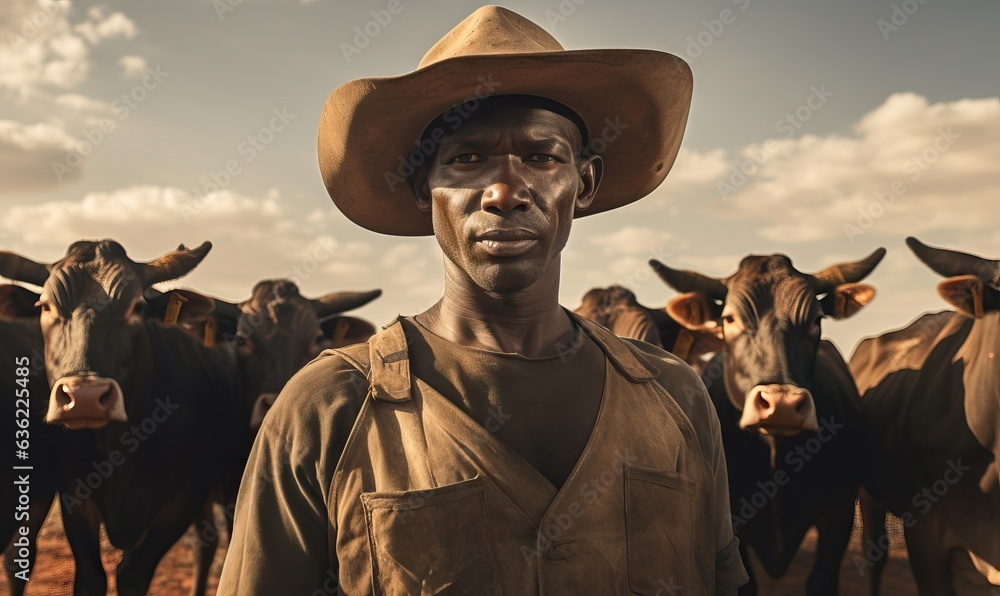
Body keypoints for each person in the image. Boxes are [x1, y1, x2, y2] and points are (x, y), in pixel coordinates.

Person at [219, 6, 748, 595]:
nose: (504, 191)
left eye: (542, 157)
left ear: (586, 183)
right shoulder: (327, 408)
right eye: (467, 159)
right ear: (425, 185)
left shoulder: (675, 395)